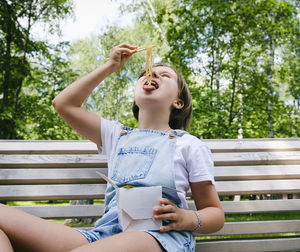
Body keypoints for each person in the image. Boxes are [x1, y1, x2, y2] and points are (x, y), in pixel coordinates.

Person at [0, 43, 224, 252]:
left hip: (160, 236)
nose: (153, 73)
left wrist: (187, 218)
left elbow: (215, 213)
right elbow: (63, 104)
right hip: (102, 237)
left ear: (178, 102)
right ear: (135, 100)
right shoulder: (116, 135)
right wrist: (111, 65)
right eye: (147, 73)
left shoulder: (188, 145)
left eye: (164, 75)